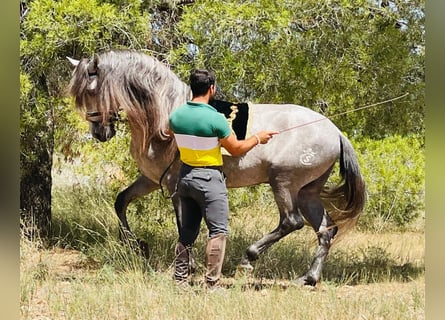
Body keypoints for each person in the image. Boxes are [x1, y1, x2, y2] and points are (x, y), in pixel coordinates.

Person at [169, 69, 277, 289]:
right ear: (212, 89)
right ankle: (212, 284)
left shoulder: (176, 116)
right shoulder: (216, 119)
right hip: (209, 179)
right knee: (217, 231)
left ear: (192, 88)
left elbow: (170, 134)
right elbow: (237, 149)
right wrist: (258, 138)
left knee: (187, 232)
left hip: (185, 177)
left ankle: (180, 280)